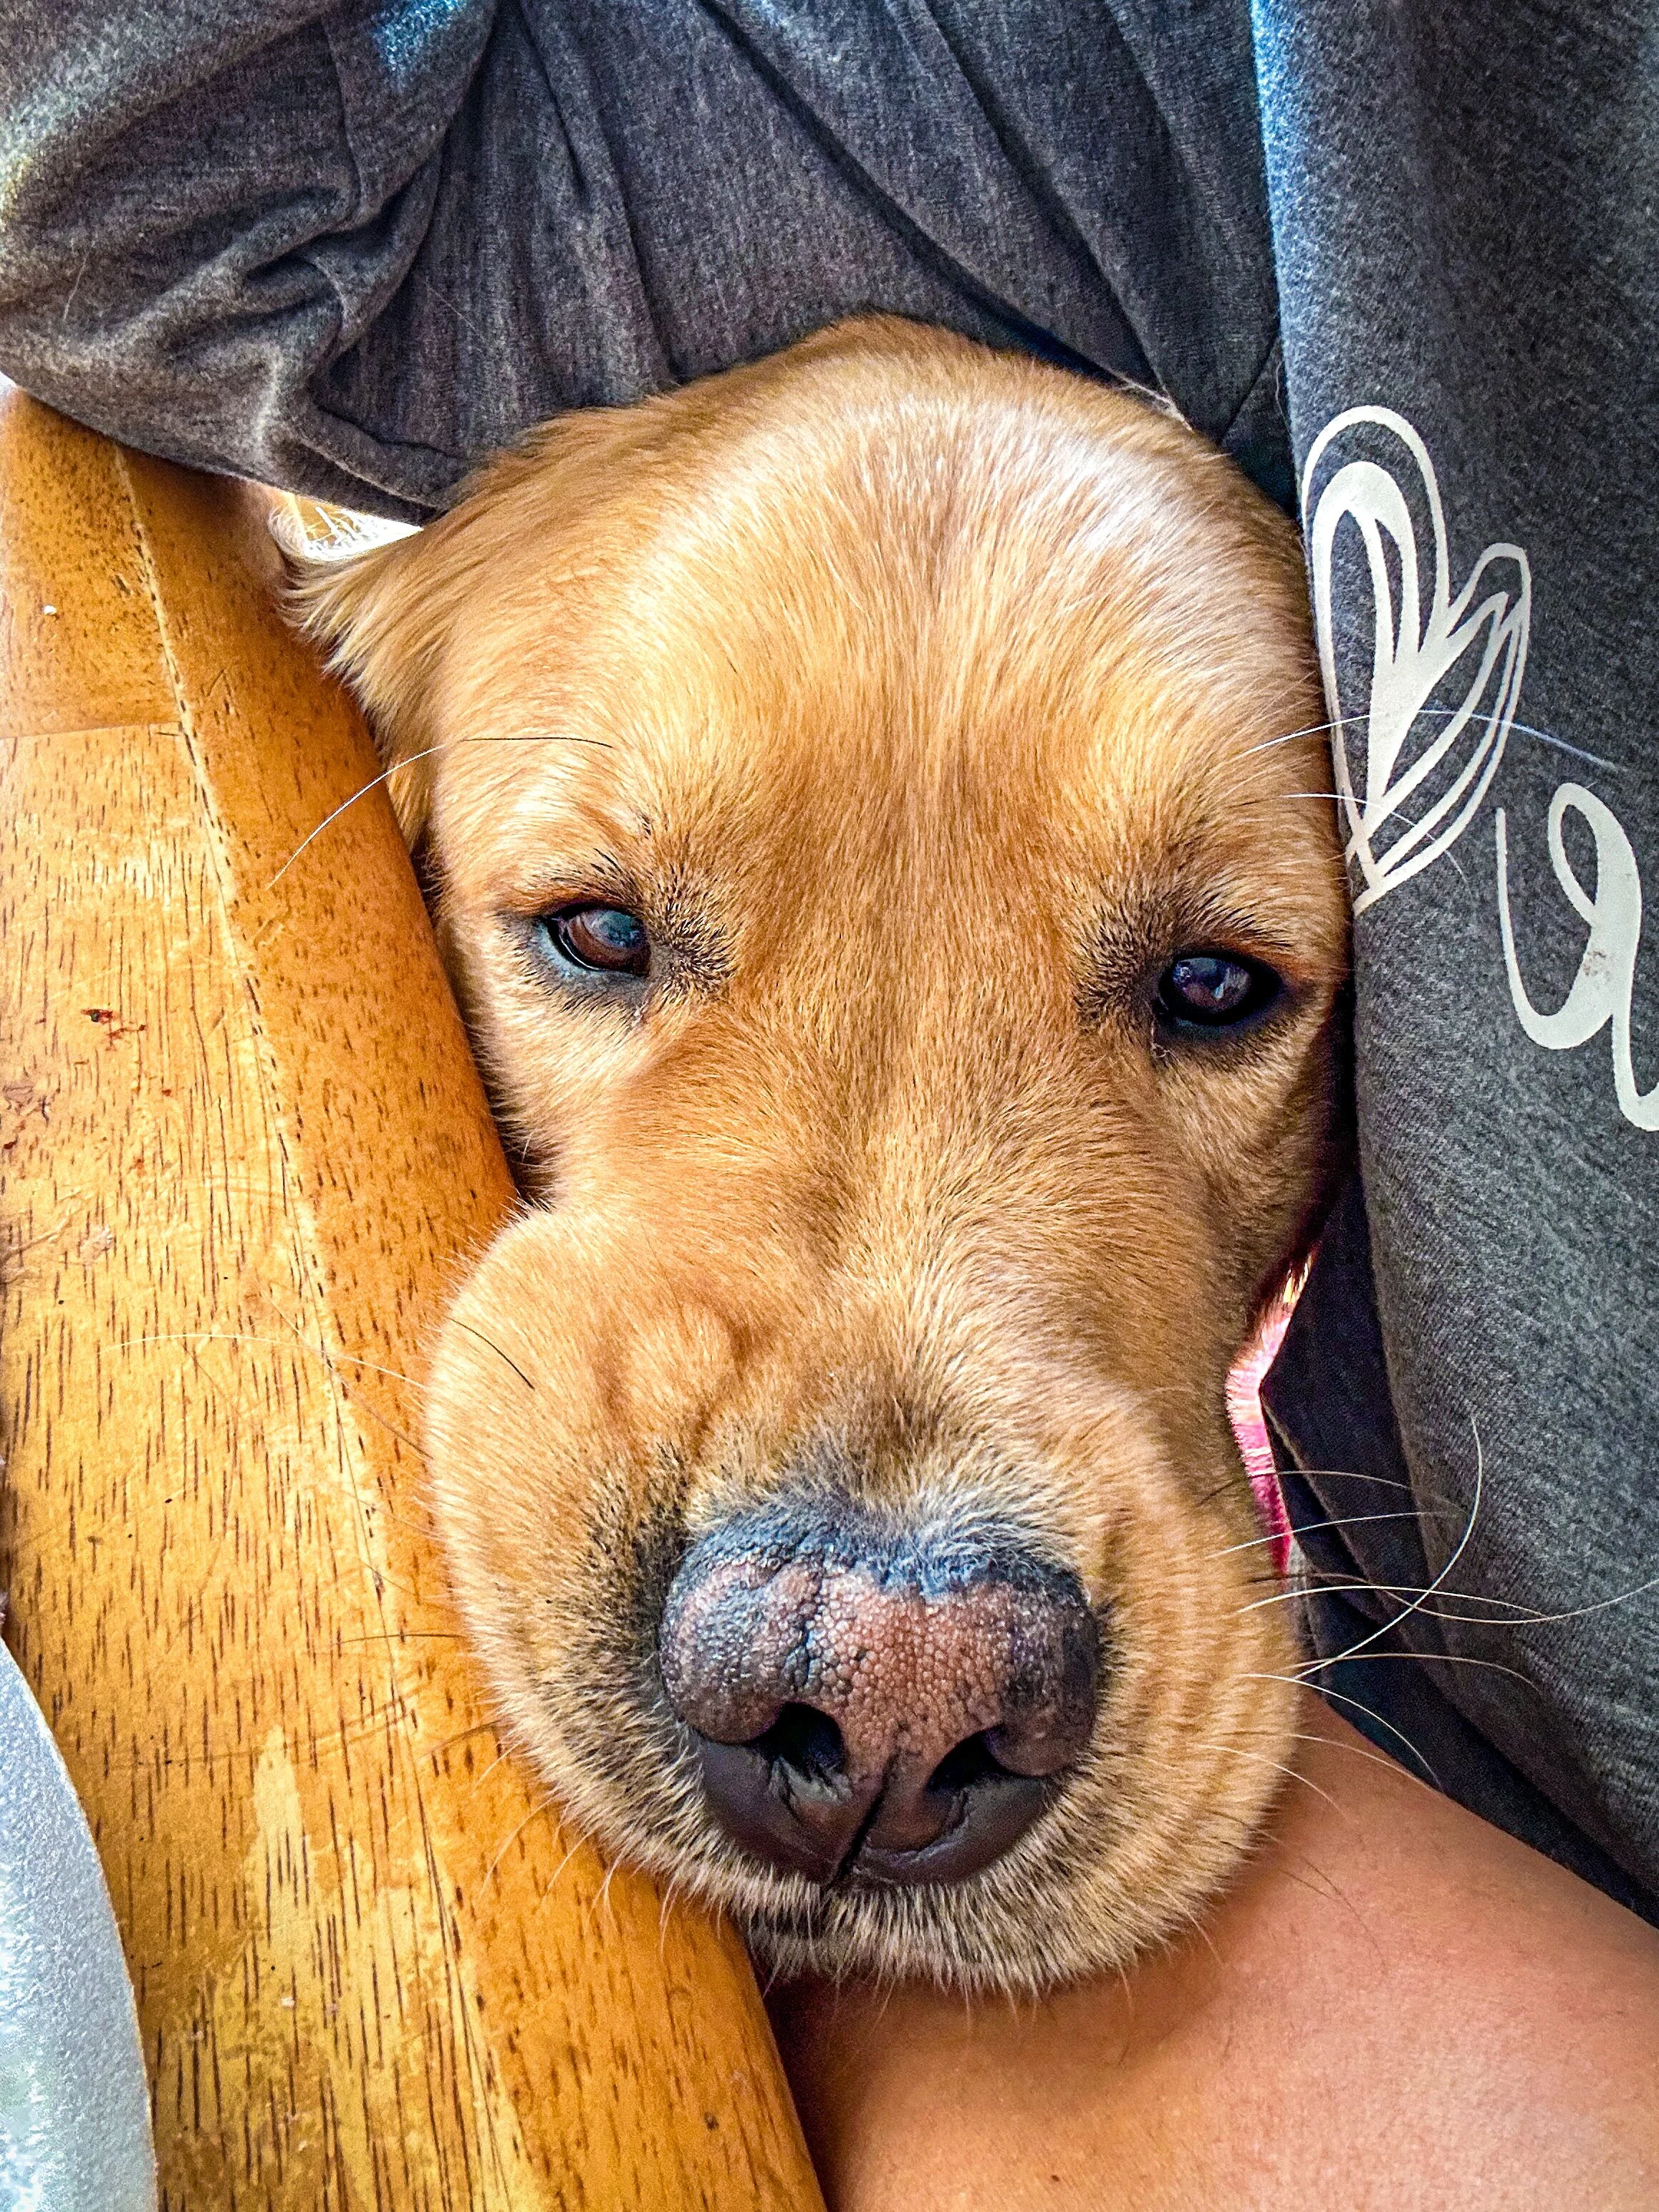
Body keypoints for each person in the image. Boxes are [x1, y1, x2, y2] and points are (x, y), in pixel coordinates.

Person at [3, 4, 1656, 2198]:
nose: (872, 1667)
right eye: (602, 931)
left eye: (1206, 991)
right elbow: (116, 176)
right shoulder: (1235, 126)